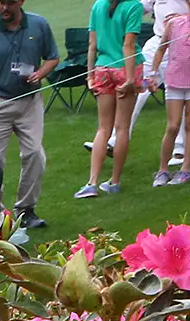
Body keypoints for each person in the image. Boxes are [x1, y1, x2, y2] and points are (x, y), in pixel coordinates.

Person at [0, 0, 56, 225]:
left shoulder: (39, 25)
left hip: (29, 101)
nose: (4, 8)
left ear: (20, 2)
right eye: (0, 2)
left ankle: (26, 210)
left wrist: (40, 73)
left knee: (35, 154)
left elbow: (53, 57)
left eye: (9, 3)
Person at [78, 0, 144, 195]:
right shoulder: (134, 6)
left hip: (103, 68)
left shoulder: (98, 5)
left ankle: (91, 183)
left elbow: (92, 44)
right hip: (125, 68)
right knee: (122, 127)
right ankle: (114, 182)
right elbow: (128, 45)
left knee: (103, 127)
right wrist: (131, 78)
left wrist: (90, 75)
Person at [157, 0, 190, 184]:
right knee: (172, 126)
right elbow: (162, 48)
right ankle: (163, 170)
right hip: (175, 79)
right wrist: (153, 74)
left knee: (189, 125)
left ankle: (186, 168)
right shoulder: (175, 22)